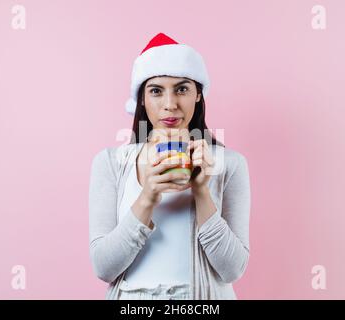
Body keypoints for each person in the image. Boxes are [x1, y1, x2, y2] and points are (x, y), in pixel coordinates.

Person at [89, 33, 251, 299]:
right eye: (155, 91)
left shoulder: (229, 164)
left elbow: (232, 270)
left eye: (182, 89)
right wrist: (147, 197)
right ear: (141, 98)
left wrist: (201, 191)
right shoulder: (110, 163)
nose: (170, 104)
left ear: (198, 94)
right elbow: (104, 267)